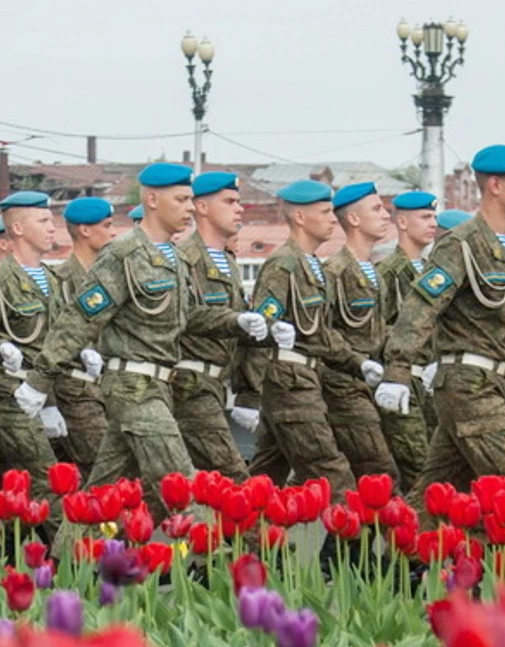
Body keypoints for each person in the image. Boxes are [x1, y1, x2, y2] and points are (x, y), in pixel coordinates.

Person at [375, 145, 505, 600]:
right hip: (468, 384)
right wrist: (397, 369)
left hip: (495, 383)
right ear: (495, 186)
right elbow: (422, 305)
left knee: (435, 490)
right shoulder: (460, 245)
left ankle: (385, 574)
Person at [50, 163, 267, 513]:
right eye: (181, 200)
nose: (188, 208)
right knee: (182, 486)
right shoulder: (124, 254)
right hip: (134, 387)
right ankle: (231, 563)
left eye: (190, 199)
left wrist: (236, 320)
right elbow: (78, 320)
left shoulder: (172, 260)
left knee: (102, 491)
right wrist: (38, 382)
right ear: (151, 200)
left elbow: (188, 317)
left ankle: (65, 560)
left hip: (158, 386)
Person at [245, 180, 362, 494]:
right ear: (299, 217)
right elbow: (258, 330)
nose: (333, 218)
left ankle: (240, 539)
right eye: (324, 212)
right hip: (289, 382)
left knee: (265, 476)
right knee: (332, 474)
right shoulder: (283, 265)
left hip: (304, 378)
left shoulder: (311, 265)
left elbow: (320, 334)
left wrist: (359, 364)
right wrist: (247, 394)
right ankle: (342, 543)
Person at [0, 190, 64, 502]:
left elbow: (54, 343)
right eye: (43, 220)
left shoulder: (51, 280)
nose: (52, 227)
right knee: (48, 480)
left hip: (37, 390)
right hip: (7, 391)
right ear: (19, 229)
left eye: (51, 219)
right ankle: (70, 551)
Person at [172, 174, 254, 480]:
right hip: (189, 385)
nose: (240, 209)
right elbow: (183, 315)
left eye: (239, 201)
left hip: (215, 384)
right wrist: (236, 321)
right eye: (230, 202)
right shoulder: (183, 260)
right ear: (202, 207)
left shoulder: (227, 261)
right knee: (234, 481)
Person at [321, 181, 403, 483]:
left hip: (372, 383)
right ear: (353, 219)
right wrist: (357, 362)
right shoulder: (335, 271)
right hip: (343, 386)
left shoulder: (372, 271)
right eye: (377, 208)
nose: (386, 215)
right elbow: (321, 331)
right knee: (379, 474)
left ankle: (347, 531)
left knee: (365, 480)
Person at [52, 196, 122, 468]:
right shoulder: (61, 280)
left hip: (110, 388)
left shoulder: (112, 277)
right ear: (84, 230)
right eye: (107, 225)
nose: (113, 232)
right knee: (104, 467)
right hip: (76, 389)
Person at [374, 191, 439, 481]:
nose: (433, 223)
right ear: (401, 222)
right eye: (425, 217)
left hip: (431, 384)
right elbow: (376, 330)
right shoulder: (387, 272)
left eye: (434, 217)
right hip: (402, 382)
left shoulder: (431, 272)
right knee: (418, 468)